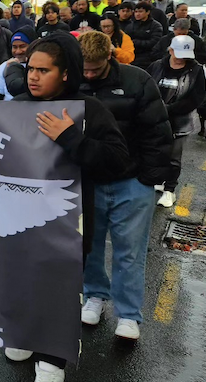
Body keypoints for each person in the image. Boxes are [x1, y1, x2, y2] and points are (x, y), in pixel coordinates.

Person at [3, 33, 131, 382]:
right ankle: (23, 335)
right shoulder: (12, 106)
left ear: (65, 73)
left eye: (43, 70)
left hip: (68, 225)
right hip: (19, 222)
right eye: (30, 68)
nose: (32, 76)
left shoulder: (89, 111)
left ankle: (52, 358)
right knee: (20, 282)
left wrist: (71, 137)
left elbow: (117, 161)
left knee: (57, 291)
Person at [77, 31, 172, 342]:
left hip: (132, 181)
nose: (88, 74)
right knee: (88, 247)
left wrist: (150, 178)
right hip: (89, 180)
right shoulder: (73, 81)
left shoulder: (137, 80)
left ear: (110, 57)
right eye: (84, 68)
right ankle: (94, 296)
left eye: (94, 68)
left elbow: (157, 130)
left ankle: (128, 314)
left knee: (129, 252)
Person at [148, 35, 206, 207]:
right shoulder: (157, 66)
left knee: (174, 157)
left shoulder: (196, 70)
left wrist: (169, 109)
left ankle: (170, 190)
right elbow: (147, 88)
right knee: (155, 153)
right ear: (170, 50)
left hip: (179, 121)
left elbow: (196, 98)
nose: (181, 59)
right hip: (155, 119)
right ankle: (158, 180)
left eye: (185, 55)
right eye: (177, 53)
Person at [0, 26, 38, 101]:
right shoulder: (4, 66)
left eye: (22, 46)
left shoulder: (40, 65)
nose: (18, 51)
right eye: (14, 47)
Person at [125, 1, 164, 69]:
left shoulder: (155, 26)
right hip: (132, 57)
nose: (137, 14)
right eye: (136, 12)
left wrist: (135, 42)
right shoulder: (130, 26)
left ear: (148, 12)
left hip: (148, 59)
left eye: (140, 11)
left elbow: (154, 42)